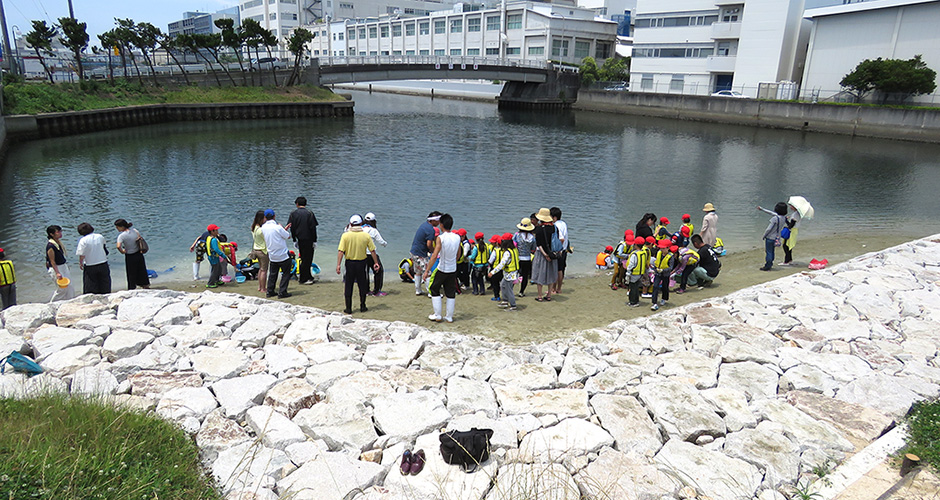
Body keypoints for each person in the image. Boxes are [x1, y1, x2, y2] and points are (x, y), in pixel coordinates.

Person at [337, 214, 380, 314]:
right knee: (362, 285)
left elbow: (341, 251)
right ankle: (363, 306)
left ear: (350, 224)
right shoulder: (366, 235)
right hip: (361, 262)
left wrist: (338, 265)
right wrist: (376, 262)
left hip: (350, 263)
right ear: (361, 223)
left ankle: (348, 308)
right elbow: (372, 250)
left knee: (349, 285)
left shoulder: (346, 235)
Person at [422, 213, 460, 322]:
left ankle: (437, 315)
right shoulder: (457, 237)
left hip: (442, 268)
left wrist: (427, 270)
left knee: (434, 288)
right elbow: (458, 255)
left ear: (441, 225)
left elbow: (434, 255)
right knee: (450, 292)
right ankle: (449, 317)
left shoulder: (440, 238)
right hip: (453, 269)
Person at [288, 196, 319, 285]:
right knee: (308, 259)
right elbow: (313, 228)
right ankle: (303, 278)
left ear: (297, 204)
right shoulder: (310, 213)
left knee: (304, 258)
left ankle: (308, 276)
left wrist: (294, 239)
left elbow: (292, 228)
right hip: (309, 239)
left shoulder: (293, 214)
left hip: (300, 239)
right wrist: (315, 240)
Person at [261, 210, 293, 298]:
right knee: (286, 274)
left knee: (272, 274)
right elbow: (288, 236)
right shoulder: (277, 227)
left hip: (272, 254)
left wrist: (283, 230)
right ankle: (282, 292)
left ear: (265, 217)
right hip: (282, 254)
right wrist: (283, 228)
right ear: (274, 216)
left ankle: (270, 291)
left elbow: (275, 235)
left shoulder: (263, 227)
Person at [410, 211, 441, 295]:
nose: (439, 222)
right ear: (433, 220)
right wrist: (433, 251)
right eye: (438, 220)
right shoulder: (430, 229)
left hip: (414, 252)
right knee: (428, 272)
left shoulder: (424, 225)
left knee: (418, 272)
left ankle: (418, 290)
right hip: (421, 254)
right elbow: (429, 244)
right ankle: (431, 292)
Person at [76, 222, 111, 294]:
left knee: (90, 284)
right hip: (103, 262)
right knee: (105, 282)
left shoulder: (83, 240)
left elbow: (81, 254)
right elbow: (104, 247)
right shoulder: (100, 236)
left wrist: (80, 263)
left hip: (90, 264)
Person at [531, 208, 558, 302]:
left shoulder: (538, 229)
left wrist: (545, 255)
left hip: (542, 254)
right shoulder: (554, 228)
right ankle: (549, 295)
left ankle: (539, 296)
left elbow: (539, 245)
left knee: (540, 275)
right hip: (553, 253)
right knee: (550, 274)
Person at [114, 219, 149, 291]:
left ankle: (132, 288)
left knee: (131, 273)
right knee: (142, 270)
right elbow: (139, 239)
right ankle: (145, 285)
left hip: (130, 255)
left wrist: (122, 251)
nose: (117, 229)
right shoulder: (135, 231)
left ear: (122, 226)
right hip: (139, 253)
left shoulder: (121, 236)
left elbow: (118, 246)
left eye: (117, 227)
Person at [488, 233, 520, 311]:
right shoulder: (514, 250)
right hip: (512, 272)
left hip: (510, 274)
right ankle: (505, 301)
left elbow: (501, 264)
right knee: (502, 285)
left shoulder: (507, 253)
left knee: (509, 290)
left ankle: (513, 305)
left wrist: (492, 272)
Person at [45, 225, 76, 302]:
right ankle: (52, 303)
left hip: (63, 266)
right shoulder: (50, 246)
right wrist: (57, 273)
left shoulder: (58, 243)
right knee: (62, 289)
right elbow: (52, 261)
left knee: (70, 286)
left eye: (60, 231)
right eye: (58, 232)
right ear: (52, 234)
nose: (60, 233)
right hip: (56, 268)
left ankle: (70, 301)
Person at [757, 202, 788, 271]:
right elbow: (771, 213)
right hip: (777, 237)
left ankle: (767, 265)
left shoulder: (775, 218)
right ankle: (770, 264)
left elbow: (769, 228)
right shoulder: (783, 218)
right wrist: (762, 209)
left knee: (768, 251)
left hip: (770, 237)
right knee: (772, 251)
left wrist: (764, 235)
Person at [651, 240, 677, 311]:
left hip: (665, 274)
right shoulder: (659, 253)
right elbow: (656, 262)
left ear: (668, 248)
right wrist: (655, 269)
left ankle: (664, 298)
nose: (662, 250)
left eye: (663, 248)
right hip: (658, 273)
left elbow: (670, 267)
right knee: (655, 286)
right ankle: (654, 303)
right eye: (661, 248)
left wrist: (663, 270)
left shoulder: (670, 257)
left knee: (665, 287)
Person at [513, 218, 536, 297]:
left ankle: (511, 289)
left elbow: (513, 245)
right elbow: (533, 249)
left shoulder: (517, 235)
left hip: (517, 258)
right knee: (525, 276)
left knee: (514, 274)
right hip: (527, 259)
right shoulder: (532, 237)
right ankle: (521, 292)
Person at [625, 237, 649, 307]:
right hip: (640, 273)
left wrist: (628, 273)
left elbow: (631, 264)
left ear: (635, 245)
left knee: (632, 288)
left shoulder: (634, 254)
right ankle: (636, 301)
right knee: (636, 287)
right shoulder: (644, 253)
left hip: (634, 273)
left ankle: (633, 302)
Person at [250, 210, 270, 293]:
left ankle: (260, 286)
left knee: (260, 269)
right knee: (264, 270)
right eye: (265, 218)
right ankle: (263, 288)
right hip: (262, 251)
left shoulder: (254, 228)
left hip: (256, 249)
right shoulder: (261, 230)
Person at [551, 207, 568, 294]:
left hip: (559, 251)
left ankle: (554, 289)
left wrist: (556, 248)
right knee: (560, 269)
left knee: (557, 270)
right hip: (564, 250)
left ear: (554, 217)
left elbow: (561, 239)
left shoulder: (556, 225)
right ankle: (559, 288)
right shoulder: (563, 223)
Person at [486, 234, 503, 302]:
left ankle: (497, 296)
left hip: (495, 269)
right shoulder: (506, 251)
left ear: (497, 243)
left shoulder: (495, 251)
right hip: (503, 269)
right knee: (503, 284)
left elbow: (490, 260)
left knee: (495, 284)